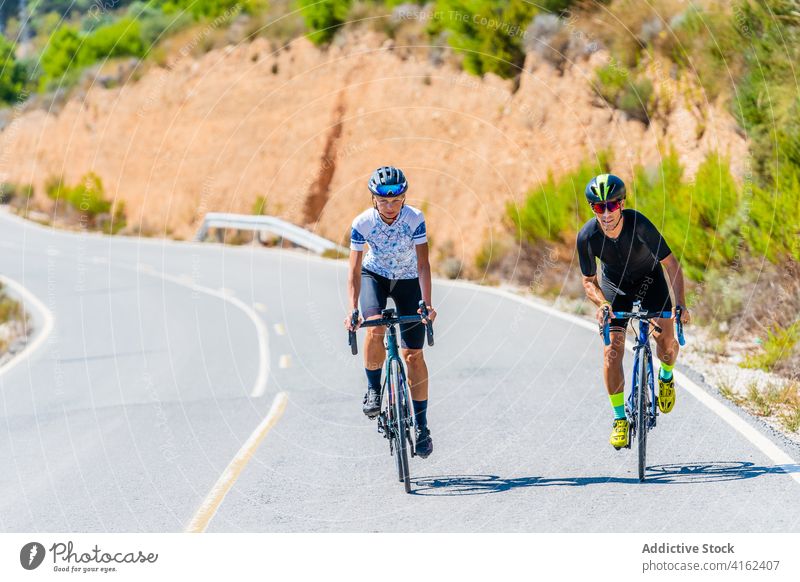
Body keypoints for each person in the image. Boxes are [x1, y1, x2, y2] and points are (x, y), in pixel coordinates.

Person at [576, 174, 691, 449]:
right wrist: (602, 304)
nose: (605, 214)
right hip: (616, 287)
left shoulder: (640, 225)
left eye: (611, 206)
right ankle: (619, 419)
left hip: (650, 281)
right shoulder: (587, 236)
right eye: (598, 207)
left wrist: (681, 303)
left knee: (665, 344)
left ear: (622, 203)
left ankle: (665, 375)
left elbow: (671, 264)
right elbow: (589, 281)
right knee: (611, 351)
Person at [344, 166, 437, 458]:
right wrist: (352, 309)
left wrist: (427, 302)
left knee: (413, 355)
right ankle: (373, 389)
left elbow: (423, 264)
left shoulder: (414, 219)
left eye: (396, 200)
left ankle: (421, 426)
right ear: (374, 200)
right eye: (383, 201)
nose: (390, 206)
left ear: (404, 197)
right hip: (376, 276)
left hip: (409, 280)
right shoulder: (362, 223)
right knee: (374, 326)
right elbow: (355, 270)